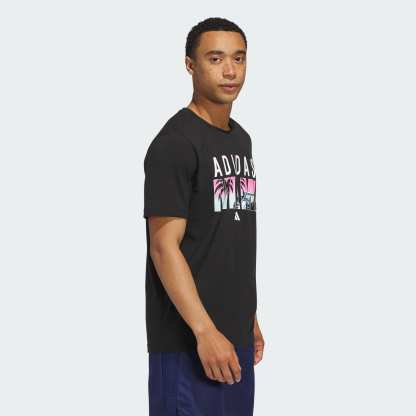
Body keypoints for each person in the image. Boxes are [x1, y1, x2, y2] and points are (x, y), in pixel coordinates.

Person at [142, 17, 265, 415]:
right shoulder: (175, 144)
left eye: (238, 58)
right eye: (215, 58)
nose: (230, 71)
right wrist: (205, 330)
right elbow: (164, 247)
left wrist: (248, 317)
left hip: (233, 340)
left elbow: (228, 236)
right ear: (190, 65)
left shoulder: (240, 139)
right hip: (189, 343)